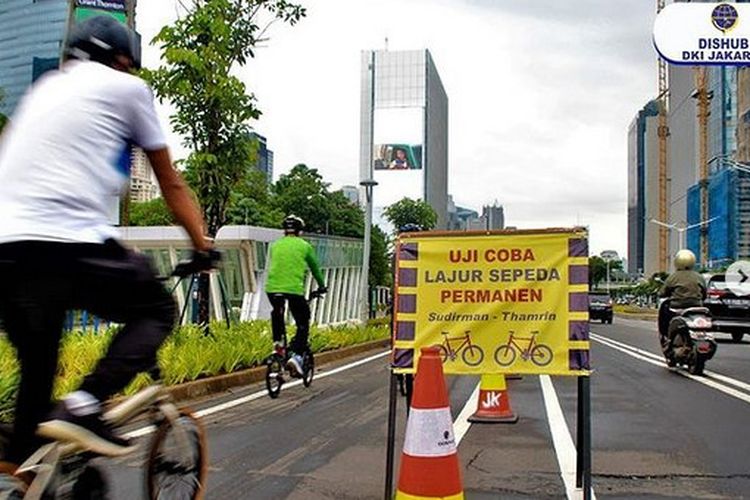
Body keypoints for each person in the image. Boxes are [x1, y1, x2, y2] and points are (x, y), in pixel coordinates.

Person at [0, 15, 215, 480]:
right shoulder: (127, 90)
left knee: (36, 391)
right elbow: (172, 184)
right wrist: (201, 244)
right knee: (155, 309)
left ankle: (18, 475)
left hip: (6, 252)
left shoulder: (41, 91)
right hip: (65, 245)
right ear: (120, 60)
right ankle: (86, 404)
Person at [265, 215, 327, 375]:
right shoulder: (305, 246)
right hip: (293, 290)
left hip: (272, 289)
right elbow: (315, 269)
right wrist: (322, 286)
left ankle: (278, 344)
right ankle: (297, 355)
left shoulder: (275, 245)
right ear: (300, 231)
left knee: (277, 312)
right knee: (302, 321)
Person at [657, 249, 707, 349]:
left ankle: (666, 336)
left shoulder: (673, 277)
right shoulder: (699, 276)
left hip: (677, 307)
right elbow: (704, 293)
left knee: (664, 315)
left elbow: (662, 293)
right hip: (696, 306)